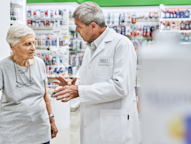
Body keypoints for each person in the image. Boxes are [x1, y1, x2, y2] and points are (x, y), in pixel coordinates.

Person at [53, 2, 141, 144]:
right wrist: (73, 84)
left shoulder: (121, 44)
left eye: (79, 26)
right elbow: (88, 78)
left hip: (114, 128)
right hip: (93, 123)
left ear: (93, 26)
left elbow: (121, 86)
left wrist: (80, 91)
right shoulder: (89, 48)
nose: (76, 30)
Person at [0, 24, 58, 144]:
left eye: (33, 43)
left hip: (40, 133)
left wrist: (52, 120)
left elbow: (45, 96)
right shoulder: (1, 68)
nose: (33, 48)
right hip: (12, 136)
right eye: (27, 44)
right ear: (13, 46)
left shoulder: (40, 64)